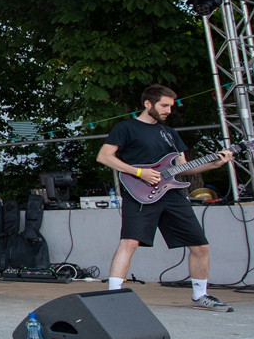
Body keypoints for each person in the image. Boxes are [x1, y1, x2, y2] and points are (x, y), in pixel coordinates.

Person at [97, 84, 234, 311]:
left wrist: (215, 164)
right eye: (164, 105)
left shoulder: (170, 133)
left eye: (170, 106)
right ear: (147, 103)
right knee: (129, 242)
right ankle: (113, 297)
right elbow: (104, 157)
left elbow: (183, 168)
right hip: (139, 192)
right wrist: (139, 172)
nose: (168, 110)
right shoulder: (125, 128)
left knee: (200, 245)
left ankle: (200, 296)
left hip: (172, 194)